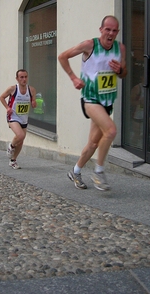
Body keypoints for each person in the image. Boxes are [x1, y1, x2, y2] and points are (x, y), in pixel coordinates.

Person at [58, 15, 127, 191]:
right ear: (101, 30)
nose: (110, 33)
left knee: (93, 143)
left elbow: (123, 73)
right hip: (90, 99)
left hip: (107, 101)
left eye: (114, 30)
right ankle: (99, 171)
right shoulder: (90, 45)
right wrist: (74, 78)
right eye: (107, 29)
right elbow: (63, 56)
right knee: (111, 131)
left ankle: (75, 171)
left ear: (117, 32)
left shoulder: (120, 48)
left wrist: (120, 70)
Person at [0, 69, 37, 169]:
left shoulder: (31, 90)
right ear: (17, 79)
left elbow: (33, 102)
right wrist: (8, 108)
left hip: (24, 117)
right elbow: (2, 97)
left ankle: (13, 160)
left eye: (25, 77)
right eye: (21, 77)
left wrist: (34, 103)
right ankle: (11, 146)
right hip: (13, 116)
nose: (24, 79)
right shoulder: (12, 89)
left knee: (21, 140)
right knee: (20, 135)